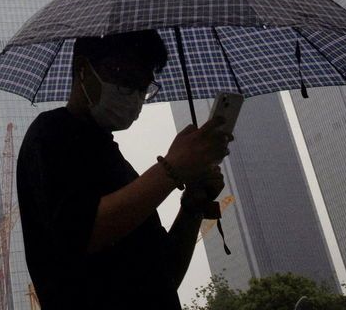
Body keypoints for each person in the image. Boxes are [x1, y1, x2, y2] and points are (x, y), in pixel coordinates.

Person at [16, 30, 232, 310]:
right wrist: (173, 167)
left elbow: (163, 276)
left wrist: (192, 204)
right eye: (125, 79)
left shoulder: (113, 159)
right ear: (83, 69)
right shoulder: (51, 135)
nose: (135, 96)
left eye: (144, 87)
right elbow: (84, 231)